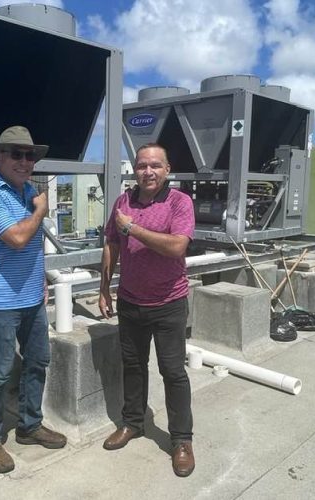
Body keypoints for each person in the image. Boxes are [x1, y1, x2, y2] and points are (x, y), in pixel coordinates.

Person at [0, 125, 66, 474]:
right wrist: (41, 209)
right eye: (16, 154)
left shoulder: (27, 192)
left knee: (38, 362)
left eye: (30, 156)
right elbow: (17, 238)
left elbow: (33, 249)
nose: (25, 161)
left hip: (31, 298)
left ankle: (29, 425)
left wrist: (40, 280)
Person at [98, 143, 196, 477]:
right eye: (142, 166)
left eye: (155, 165)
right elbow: (112, 244)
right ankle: (133, 423)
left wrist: (133, 228)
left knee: (173, 372)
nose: (148, 172)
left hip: (169, 303)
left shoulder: (180, 202)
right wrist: (104, 289)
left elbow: (177, 246)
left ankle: (181, 440)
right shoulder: (122, 202)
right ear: (134, 170)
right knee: (134, 367)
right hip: (129, 301)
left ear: (168, 169)